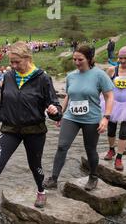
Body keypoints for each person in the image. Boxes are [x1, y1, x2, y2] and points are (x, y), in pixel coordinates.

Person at [0, 42, 62, 221]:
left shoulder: (42, 78)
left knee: (35, 165)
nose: (14, 66)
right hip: (10, 129)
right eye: (11, 62)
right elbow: (4, 101)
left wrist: (55, 111)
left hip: (34, 130)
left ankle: (41, 191)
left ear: (27, 58)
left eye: (17, 62)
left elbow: (54, 104)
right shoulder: (10, 76)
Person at [44, 45, 114, 191]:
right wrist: (60, 114)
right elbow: (69, 96)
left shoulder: (100, 75)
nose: (76, 62)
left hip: (92, 118)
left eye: (80, 59)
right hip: (71, 117)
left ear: (89, 59)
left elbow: (109, 96)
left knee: (90, 149)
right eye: (74, 59)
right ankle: (53, 179)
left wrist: (106, 117)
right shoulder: (71, 76)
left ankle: (93, 177)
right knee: (62, 146)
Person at [101, 46, 126, 170]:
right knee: (111, 130)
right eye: (120, 58)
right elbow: (104, 87)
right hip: (114, 104)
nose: (122, 61)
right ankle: (111, 149)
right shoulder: (112, 70)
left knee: (124, 132)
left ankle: (119, 158)